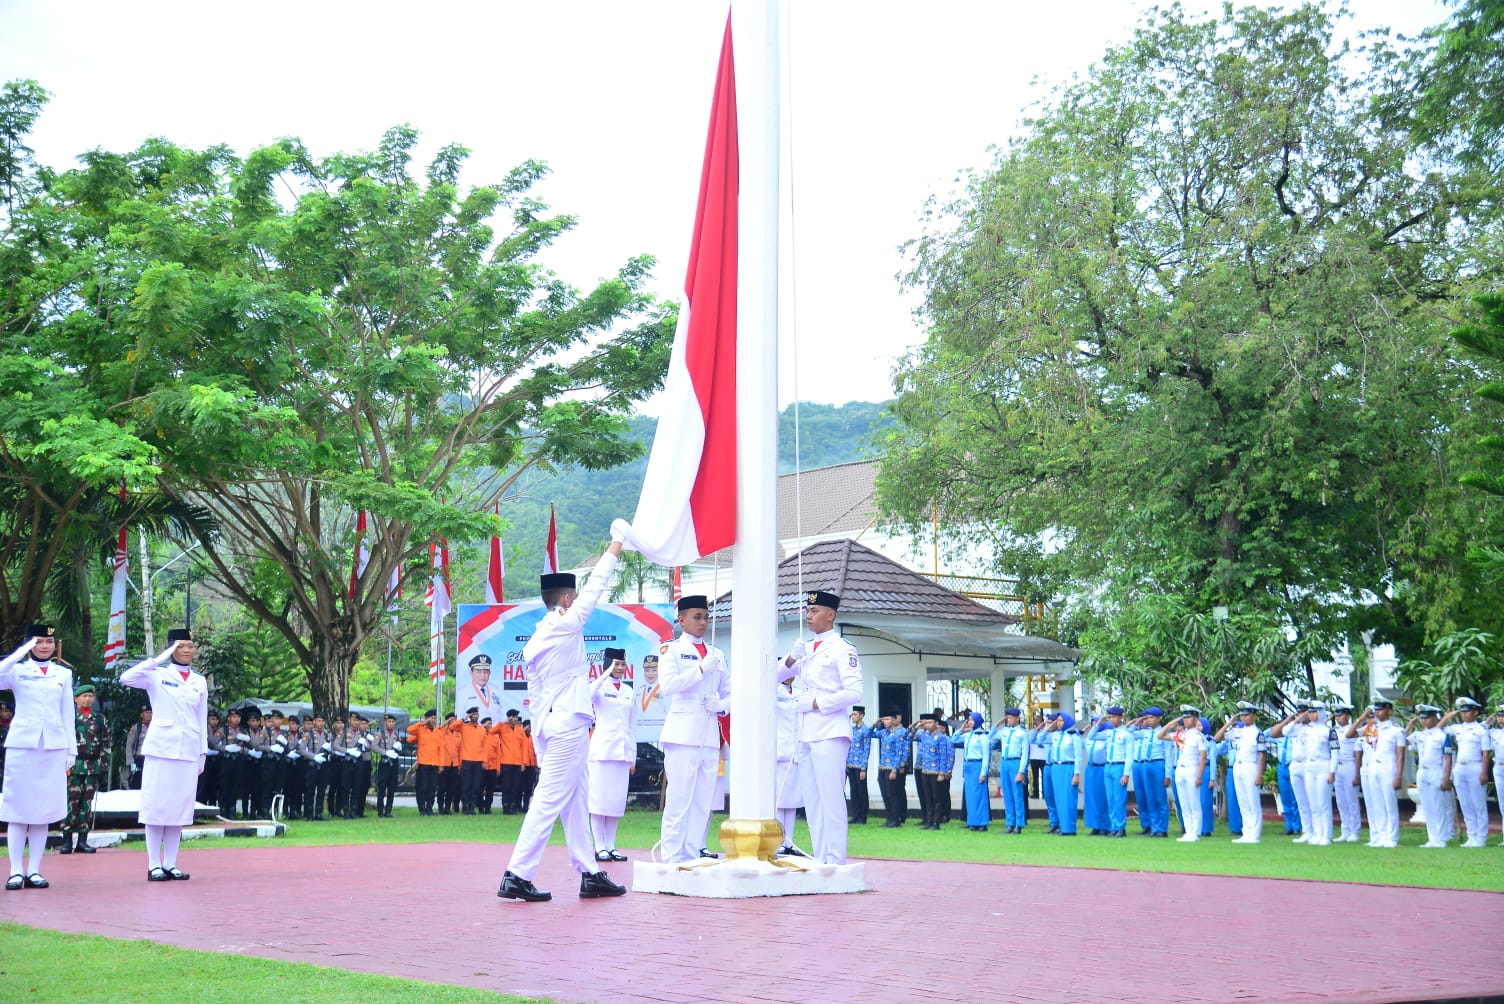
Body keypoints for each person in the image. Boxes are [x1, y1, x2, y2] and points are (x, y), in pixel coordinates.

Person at [497, 529, 627, 902]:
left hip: (556, 724)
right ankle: (518, 874)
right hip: (568, 725)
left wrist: (540, 737)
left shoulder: (541, 633)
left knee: (574, 800)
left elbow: (537, 696)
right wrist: (615, 548)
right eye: (574, 599)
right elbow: (597, 587)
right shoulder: (564, 623)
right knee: (549, 800)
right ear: (567, 599)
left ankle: (589, 872)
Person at [777, 589, 866, 864]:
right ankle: (821, 857)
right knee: (813, 801)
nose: (809, 616)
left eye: (814, 611)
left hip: (830, 731)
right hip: (806, 733)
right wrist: (791, 658)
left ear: (831, 614)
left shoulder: (842, 649)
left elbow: (855, 693)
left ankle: (836, 859)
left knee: (831, 798)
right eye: (808, 611)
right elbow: (774, 676)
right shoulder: (805, 650)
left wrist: (816, 702)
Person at [119, 627, 208, 881]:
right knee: (156, 807)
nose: (187, 651)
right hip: (161, 749)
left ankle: (171, 863)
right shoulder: (156, 674)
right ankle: (153, 864)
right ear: (171, 648)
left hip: (188, 749)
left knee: (178, 809)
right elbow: (126, 677)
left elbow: (201, 719)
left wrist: (202, 752)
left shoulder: (199, 681)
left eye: (190, 646)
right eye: (181, 646)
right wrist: (158, 658)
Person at [0, 624, 76, 890]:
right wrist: (20, 651)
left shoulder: (63, 674)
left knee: (43, 812)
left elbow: (68, 713)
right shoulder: (17, 671)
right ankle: (15, 871)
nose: (45, 646)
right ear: (30, 643)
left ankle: (34, 870)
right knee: (19, 811)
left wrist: (71, 749)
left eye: (49, 642)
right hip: (23, 746)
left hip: (53, 746)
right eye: (39, 641)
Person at [657, 595, 730, 864]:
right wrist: (700, 669)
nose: (702, 622)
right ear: (682, 619)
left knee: (702, 799)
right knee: (680, 796)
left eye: (705, 617)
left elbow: (730, 692)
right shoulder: (671, 650)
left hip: (709, 734)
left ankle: (692, 851)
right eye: (696, 617)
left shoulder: (717, 654)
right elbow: (668, 686)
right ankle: (672, 854)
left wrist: (721, 704)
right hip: (682, 733)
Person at [588, 647, 637, 862]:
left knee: (616, 802)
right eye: (616, 664)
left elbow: (632, 725)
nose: (619, 668)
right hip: (602, 751)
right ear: (607, 665)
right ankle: (599, 847)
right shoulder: (599, 687)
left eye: (622, 664)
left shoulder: (628, 691)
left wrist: (632, 755)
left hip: (622, 752)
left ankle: (611, 845)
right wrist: (604, 675)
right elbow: (587, 696)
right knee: (599, 801)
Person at [1348, 700, 1405, 848]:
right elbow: (1350, 734)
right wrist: (1362, 717)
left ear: (1389, 711)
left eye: (1380, 709)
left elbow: (1400, 755)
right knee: (1377, 803)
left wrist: (1398, 776)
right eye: (1375, 710)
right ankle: (1380, 836)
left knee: (1389, 803)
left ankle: (1392, 838)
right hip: (1373, 767)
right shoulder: (1370, 728)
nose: (1377, 712)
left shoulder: (1396, 730)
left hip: (1388, 766)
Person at [61, 684, 109, 854]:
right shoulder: (69, 718)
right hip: (73, 766)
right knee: (70, 803)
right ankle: (66, 840)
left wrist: (103, 765)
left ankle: (82, 840)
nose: (88, 699)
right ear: (75, 699)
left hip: (92, 767)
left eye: (90, 696)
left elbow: (106, 744)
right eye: (84, 696)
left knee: (86, 805)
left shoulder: (99, 718)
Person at [1440, 697, 1492, 848]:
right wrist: (1449, 716)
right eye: (1462, 712)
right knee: (1465, 804)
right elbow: (1439, 729)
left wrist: (1484, 772)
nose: (1464, 714)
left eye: (1467, 711)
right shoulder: (1458, 728)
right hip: (1460, 768)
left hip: (1475, 767)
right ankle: (1471, 836)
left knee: (1478, 804)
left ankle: (1481, 837)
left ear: (1475, 712)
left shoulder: (1480, 730)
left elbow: (1486, 753)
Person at [1214, 702, 1267, 844]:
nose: (1244, 718)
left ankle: (1254, 834)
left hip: (1251, 766)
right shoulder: (1238, 731)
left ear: (1254, 716)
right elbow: (1216, 738)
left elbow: (1262, 755)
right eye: (1242, 715)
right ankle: (1246, 832)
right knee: (1243, 801)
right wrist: (1229, 723)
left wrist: (1260, 775)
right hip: (1238, 766)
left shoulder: (1257, 733)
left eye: (1247, 714)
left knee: (1252, 801)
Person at [1408, 705, 1453, 848]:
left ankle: (1441, 838)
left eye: (1427, 717)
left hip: (1436, 771)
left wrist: (1446, 778)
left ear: (1434, 718)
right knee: (1427, 806)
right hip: (1422, 771)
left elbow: (1448, 758)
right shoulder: (1419, 735)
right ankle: (1432, 838)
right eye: (1422, 718)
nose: (1424, 721)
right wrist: (1410, 725)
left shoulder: (1443, 736)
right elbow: (1402, 740)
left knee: (1438, 806)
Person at [1161, 707, 1208, 842]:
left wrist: (1199, 776)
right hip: (1180, 770)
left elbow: (1203, 757)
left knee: (1194, 802)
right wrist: (1172, 722)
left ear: (1195, 719)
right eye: (1184, 718)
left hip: (1192, 769)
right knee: (1183, 803)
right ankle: (1188, 831)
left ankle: (1195, 832)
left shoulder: (1199, 736)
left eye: (1188, 717)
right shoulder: (1180, 734)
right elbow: (1161, 735)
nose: (1185, 720)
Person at [772, 679, 807, 855]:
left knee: (792, 800)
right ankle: (778, 842)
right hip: (779, 750)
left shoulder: (800, 692)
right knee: (779, 801)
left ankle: (789, 843)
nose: (791, 677)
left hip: (796, 751)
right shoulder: (773, 690)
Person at [991, 708, 1030, 834]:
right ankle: (1010, 823)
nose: (1008, 720)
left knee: (1017, 794)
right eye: (1007, 717)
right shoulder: (1004, 731)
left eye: (1010, 718)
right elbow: (991, 735)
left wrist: (1021, 771)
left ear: (1017, 718)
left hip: (1016, 762)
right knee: (1006, 794)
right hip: (1005, 762)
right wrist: (998, 723)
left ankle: (1019, 824)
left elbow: (1025, 754)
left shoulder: (1022, 733)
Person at [1329, 702, 1363, 842]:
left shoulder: (1354, 731)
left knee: (1352, 800)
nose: (1338, 718)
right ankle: (1345, 830)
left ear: (1348, 715)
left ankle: (1355, 831)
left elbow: (1357, 754)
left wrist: (1357, 773)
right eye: (1336, 715)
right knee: (1341, 801)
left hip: (1350, 765)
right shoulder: (1333, 730)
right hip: (1337, 766)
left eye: (1341, 714)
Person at [1098, 707, 1133, 838]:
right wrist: (1098, 724)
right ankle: (1113, 826)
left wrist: (1126, 774)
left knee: (1119, 799)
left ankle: (1121, 827)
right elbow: (1092, 736)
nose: (1112, 719)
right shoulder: (1109, 732)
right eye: (1110, 717)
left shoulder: (1127, 734)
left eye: (1114, 717)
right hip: (1108, 766)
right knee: (1110, 799)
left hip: (1119, 766)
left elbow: (1129, 755)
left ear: (1121, 717)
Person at [447, 706, 489, 815]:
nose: (475, 716)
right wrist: (463, 719)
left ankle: (472, 805)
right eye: (473, 714)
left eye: (476, 714)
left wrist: (484, 760)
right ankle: (465, 806)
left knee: (476, 785)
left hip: (479, 760)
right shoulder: (464, 726)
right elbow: (451, 726)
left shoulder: (481, 729)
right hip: (467, 759)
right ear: (470, 716)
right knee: (466, 784)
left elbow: (484, 746)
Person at [956, 711, 992, 831]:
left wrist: (983, 773)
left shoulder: (983, 736)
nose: (970, 722)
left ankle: (982, 823)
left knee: (980, 795)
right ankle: (972, 821)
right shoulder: (968, 735)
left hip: (978, 765)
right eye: (969, 720)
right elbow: (954, 740)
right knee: (970, 796)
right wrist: (961, 729)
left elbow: (986, 756)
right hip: (969, 766)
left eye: (972, 720)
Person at [876, 712, 911, 827]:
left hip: (891, 768)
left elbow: (899, 753)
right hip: (882, 767)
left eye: (887, 719)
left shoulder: (899, 734)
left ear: (895, 721)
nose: (884, 721)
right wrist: (875, 723)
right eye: (884, 719)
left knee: (893, 794)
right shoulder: (884, 733)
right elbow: (869, 734)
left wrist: (895, 769)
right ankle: (889, 818)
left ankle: (896, 819)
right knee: (885, 794)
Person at [406, 709, 442, 816]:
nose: (433, 720)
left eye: (435, 718)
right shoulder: (420, 730)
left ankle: (429, 808)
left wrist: (441, 764)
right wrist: (422, 723)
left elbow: (441, 750)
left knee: (432, 787)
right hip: (423, 763)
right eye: (431, 718)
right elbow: (409, 730)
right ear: (426, 719)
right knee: (422, 787)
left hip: (434, 764)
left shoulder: (438, 733)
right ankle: (422, 808)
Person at [494, 709, 528, 814]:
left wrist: (524, 762)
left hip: (517, 762)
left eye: (516, 717)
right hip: (506, 762)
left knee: (515, 786)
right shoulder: (503, 728)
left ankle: (513, 806)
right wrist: (503, 722)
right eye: (513, 717)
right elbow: (491, 731)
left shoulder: (520, 730)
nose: (515, 719)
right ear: (509, 718)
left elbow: (524, 747)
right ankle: (505, 806)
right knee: (507, 786)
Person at [846, 705, 875, 825]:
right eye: (852, 714)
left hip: (860, 766)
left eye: (855, 714)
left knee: (862, 791)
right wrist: (847, 718)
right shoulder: (851, 729)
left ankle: (863, 816)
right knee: (853, 791)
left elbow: (866, 749)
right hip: (851, 764)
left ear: (862, 716)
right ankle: (855, 815)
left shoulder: (866, 730)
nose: (853, 716)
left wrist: (864, 768)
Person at [371, 713, 404, 817]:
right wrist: (385, 752)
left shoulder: (396, 735)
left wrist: (399, 749)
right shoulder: (379, 734)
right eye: (389, 721)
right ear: (385, 722)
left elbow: (399, 750)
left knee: (392, 787)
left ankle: (388, 811)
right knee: (382, 787)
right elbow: (374, 746)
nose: (391, 723)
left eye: (393, 722)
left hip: (393, 763)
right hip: (385, 762)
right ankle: (380, 811)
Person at [125, 707, 151, 790]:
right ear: (141, 715)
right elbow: (129, 746)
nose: (149, 715)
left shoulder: (155, 727)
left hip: (151, 759)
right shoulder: (136, 728)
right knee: (136, 783)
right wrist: (131, 762)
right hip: (139, 759)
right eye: (146, 712)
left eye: (150, 712)